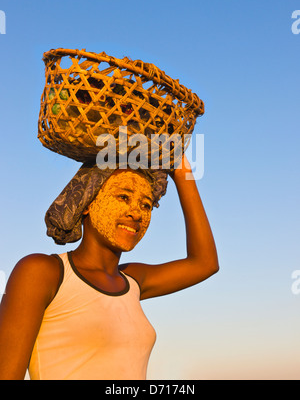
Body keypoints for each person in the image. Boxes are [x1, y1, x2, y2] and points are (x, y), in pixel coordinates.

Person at [0, 155, 219, 380]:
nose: (137, 213)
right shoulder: (43, 271)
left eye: (146, 204)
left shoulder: (132, 280)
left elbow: (205, 263)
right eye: (123, 197)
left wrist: (182, 172)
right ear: (87, 203)